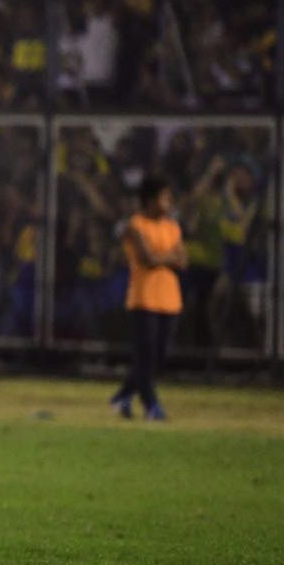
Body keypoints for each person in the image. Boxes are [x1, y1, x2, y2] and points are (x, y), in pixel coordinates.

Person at [110, 177, 186, 421]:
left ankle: (123, 395)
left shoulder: (172, 226)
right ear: (151, 199)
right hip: (144, 298)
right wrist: (169, 257)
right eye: (165, 197)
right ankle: (151, 405)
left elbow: (183, 261)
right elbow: (147, 259)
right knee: (146, 355)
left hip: (170, 299)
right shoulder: (135, 226)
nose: (169, 202)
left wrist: (161, 256)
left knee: (159, 356)